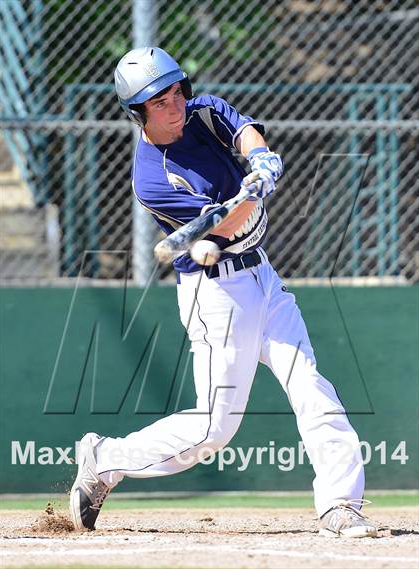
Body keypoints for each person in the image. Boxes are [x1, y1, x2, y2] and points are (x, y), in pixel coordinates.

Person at [69, 47, 377, 538]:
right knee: (213, 430)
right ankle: (105, 459)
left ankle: (340, 505)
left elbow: (241, 128)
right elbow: (234, 223)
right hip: (216, 297)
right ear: (137, 113)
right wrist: (238, 210)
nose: (174, 106)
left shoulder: (203, 112)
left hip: (264, 279)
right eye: (158, 102)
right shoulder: (151, 178)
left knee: (312, 387)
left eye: (175, 92)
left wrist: (259, 158)